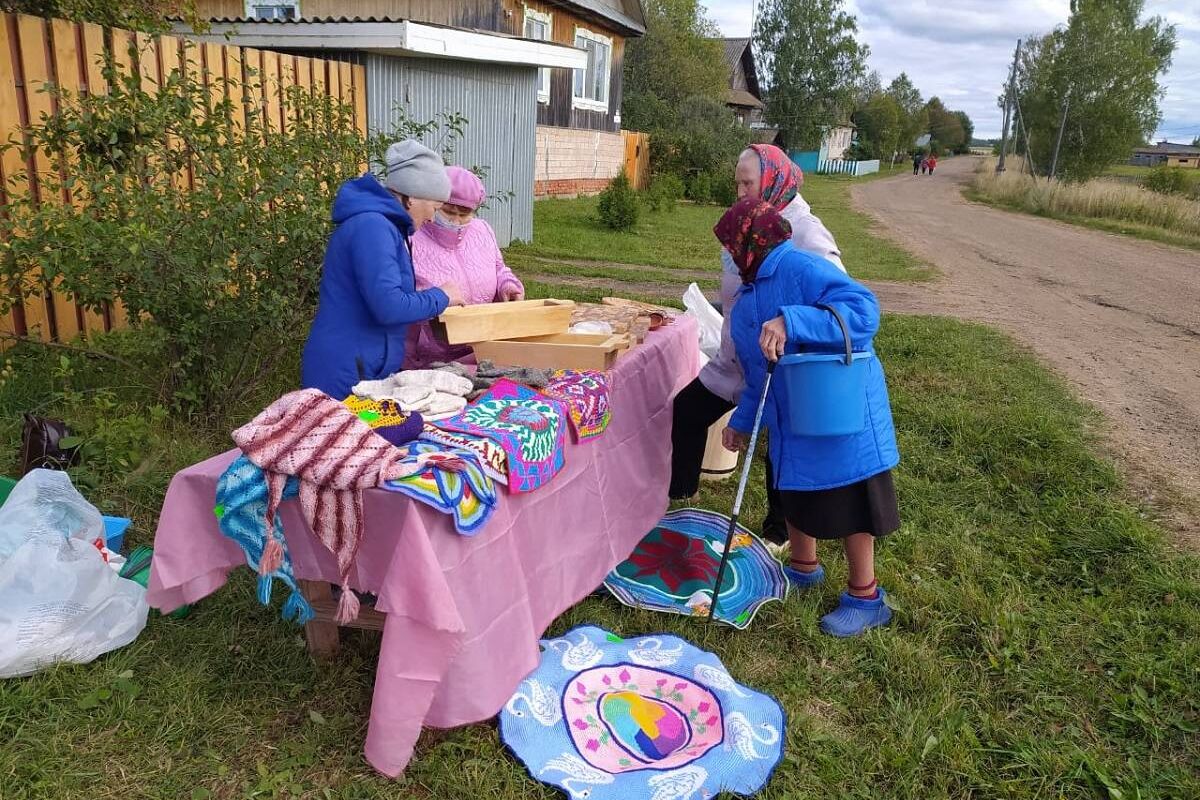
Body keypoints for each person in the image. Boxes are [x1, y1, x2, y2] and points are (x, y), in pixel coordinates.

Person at [715, 197, 900, 637]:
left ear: (752, 242)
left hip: (839, 408)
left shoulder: (803, 267)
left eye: (729, 246)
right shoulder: (744, 303)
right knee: (792, 489)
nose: (726, 255)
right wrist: (742, 422)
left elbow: (863, 310)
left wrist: (793, 320)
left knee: (852, 501)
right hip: (791, 418)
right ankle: (803, 568)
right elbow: (758, 375)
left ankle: (866, 595)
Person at [669, 144, 844, 548]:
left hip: (781, 364)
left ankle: (779, 533)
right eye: (738, 183)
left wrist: (790, 320)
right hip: (737, 357)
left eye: (749, 183)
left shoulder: (804, 231)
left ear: (773, 180)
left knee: (779, 444)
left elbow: (839, 300)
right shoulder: (744, 221)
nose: (742, 191)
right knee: (688, 409)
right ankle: (682, 507)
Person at [301, 141, 465, 400]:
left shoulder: (387, 226)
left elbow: (382, 292)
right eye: (434, 207)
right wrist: (441, 296)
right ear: (411, 198)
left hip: (364, 366)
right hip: (345, 373)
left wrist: (419, 298)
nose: (433, 218)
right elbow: (389, 307)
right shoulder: (372, 227)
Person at [404, 166, 525, 369]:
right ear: (434, 204)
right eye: (449, 212)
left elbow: (499, 267)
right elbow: (400, 298)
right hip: (431, 358)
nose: (456, 220)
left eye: (465, 214)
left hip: (484, 347)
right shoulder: (411, 237)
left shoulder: (482, 230)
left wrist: (508, 285)